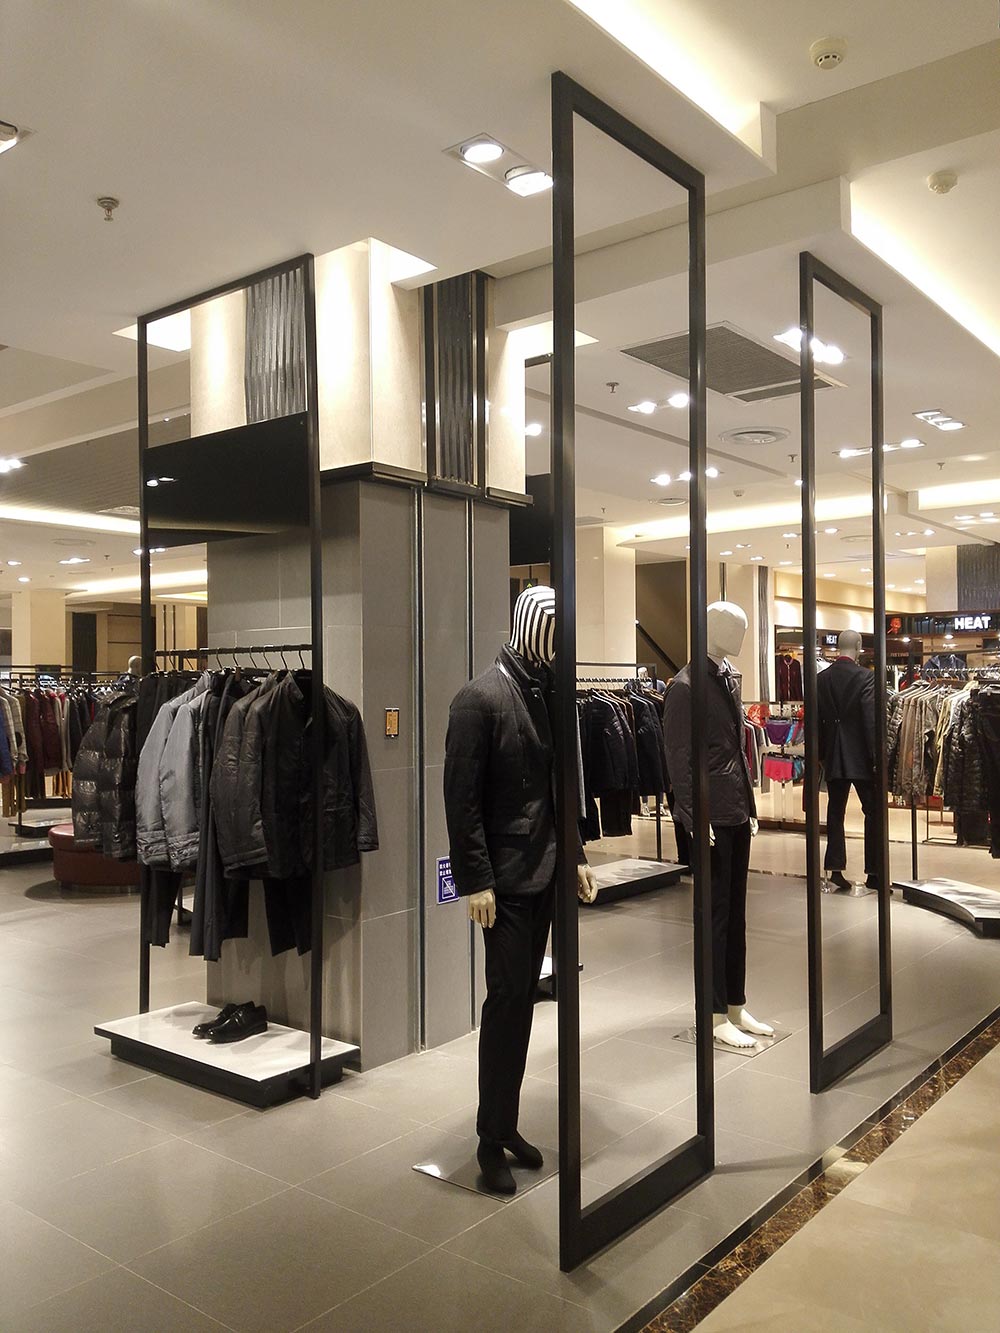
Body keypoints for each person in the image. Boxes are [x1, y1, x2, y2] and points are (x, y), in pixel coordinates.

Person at [443, 585, 597, 1193]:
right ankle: (489, 1137)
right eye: (554, 637)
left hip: (546, 873)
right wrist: (474, 880)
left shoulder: (547, 691)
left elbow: (560, 787)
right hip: (503, 883)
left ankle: (505, 1124)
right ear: (533, 631)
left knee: (523, 1002)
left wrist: (575, 854)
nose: (560, 649)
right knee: (505, 1002)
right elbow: (461, 802)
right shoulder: (477, 699)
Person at [817, 629, 879, 892]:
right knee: (873, 813)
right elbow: (869, 719)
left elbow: (816, 721)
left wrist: (821, 755)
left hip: (833, 754)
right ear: (859, 646)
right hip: (861, 755)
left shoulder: (822, 679)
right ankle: (874, 872)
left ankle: (835, 869)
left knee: (835, 812)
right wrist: (876, 756)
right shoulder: (866, 677)